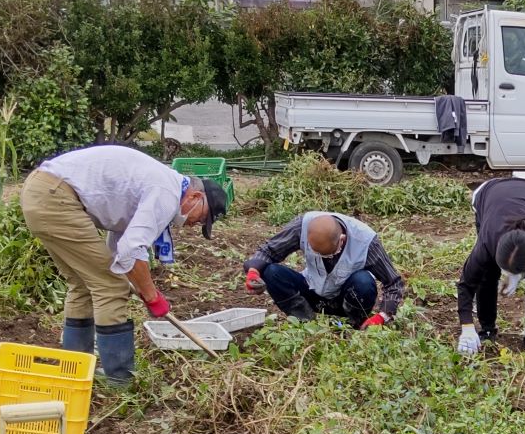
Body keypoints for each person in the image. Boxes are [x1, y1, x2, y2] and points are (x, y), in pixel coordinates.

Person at [21, 144, 227, 386]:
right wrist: (152, 297)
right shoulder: (167, 193)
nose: (195, 224)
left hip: (42, 192)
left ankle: (74, 370)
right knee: (111, 286)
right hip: (57, 197)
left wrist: (137, 282)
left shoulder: (161, 183)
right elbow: (130, 251)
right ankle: (120, 381)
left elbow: (121, 245)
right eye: (202, 217)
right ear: (194, 196)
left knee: (84, 284)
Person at [243, 211, 405, 328]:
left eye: (329, 254)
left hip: (348, 298)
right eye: (317, 253)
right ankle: (305, 321)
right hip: (312, 292)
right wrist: (253, 272)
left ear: (342, 240)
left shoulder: (366, 241)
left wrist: (383, 316)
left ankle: (355, 323)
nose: (325, 259)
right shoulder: (302, 226)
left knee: (364, 281)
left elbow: (393, 283)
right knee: (272, 272)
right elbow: (268, 251)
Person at [457, 176, 525, 356]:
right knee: (487, 273)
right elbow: (466, 284)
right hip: (487, 192)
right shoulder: (487, 242)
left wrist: (517, 275)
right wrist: (466, 325)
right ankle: (487, 330)